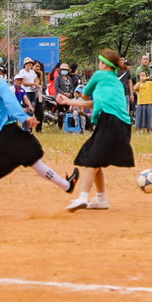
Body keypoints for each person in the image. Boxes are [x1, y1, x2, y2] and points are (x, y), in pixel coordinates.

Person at [0, 55, 78, 220]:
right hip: (7, 132)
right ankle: (67, 185)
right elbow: (11, 103)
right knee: (34, 158)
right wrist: (24, 117)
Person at [57, 49, 134, 212]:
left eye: (100, 62)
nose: (98, 65)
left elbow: (85, 96)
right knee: (96, 161)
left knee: (91, 160)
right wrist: (69, 101)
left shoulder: (100, 76)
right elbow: (95, 103)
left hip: (110, 121)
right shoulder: (116, 82)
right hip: (123, 126)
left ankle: (83, 197)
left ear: (105, 65)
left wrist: (78, 96)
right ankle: (101, 199)